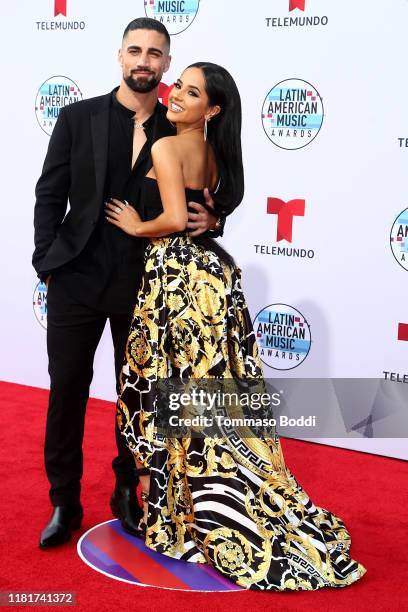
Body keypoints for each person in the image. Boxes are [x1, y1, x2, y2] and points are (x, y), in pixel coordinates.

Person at [107, 63, 367, 590]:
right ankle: (221, 496)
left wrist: (138, 225)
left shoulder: (165, 147)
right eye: (178, 84)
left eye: (191, 91)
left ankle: (191, 513)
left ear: (214, 108)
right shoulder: (216, 151)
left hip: (177, 283)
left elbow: (176, 219)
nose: (176, 94)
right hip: (214, 280)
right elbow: (204, 214)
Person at [32, 18, 221, 550]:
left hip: (146, 282)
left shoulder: (178, 126)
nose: (144, 60)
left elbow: (205, 192)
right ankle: (64, 500)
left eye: (155, 54)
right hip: (76, 275)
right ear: (120, 56)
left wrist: (215, 220)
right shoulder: (78, 116)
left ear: (166, 62)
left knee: (135, 396)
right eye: (135, 50)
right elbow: (50, 192)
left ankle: (126, 491)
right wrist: (45, 259)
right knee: (66, 388)